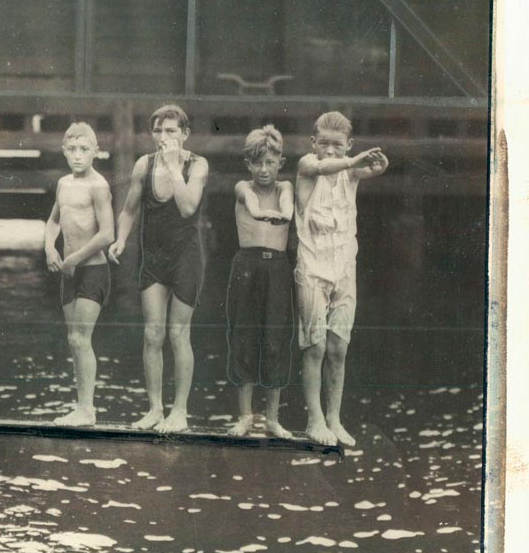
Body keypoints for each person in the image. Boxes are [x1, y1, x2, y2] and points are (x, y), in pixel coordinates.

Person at [109, 104, 209, 432]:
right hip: (153, 258)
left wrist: (172, 167)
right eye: (159, 131)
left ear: (184, 134)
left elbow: (187, 206)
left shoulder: (198, 165)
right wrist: (121, 240)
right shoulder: (143, 165)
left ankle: (179, 411)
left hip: (186, 259)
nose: (164, 138)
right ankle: (154, 409)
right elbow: (128, 211)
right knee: (153, 333)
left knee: (179, 334)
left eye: (171, 131)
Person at [294, 111, 388, 446]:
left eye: (338, 145)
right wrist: (352, 161)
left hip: (345, 268)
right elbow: (324, 167)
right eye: (324, 144)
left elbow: (373, 169)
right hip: (312, 267)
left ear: (349, 145)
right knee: (315, 345)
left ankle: (334, 418)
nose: (331, 150)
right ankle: (314, 419)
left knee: (338, 348)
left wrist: (380, 164)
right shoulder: (308, 166)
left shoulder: (351, 174)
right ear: (313, 143)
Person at [43, 122, 115, 426]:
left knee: (82, 338)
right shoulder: (63, 184)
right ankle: (81, 406)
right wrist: (49, 248)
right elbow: (53, 221)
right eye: (72, 149)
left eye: (84, 150)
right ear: (63, 150)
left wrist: (72, 257)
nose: (77, 156)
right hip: (69, 272)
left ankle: (87, 410)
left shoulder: (98, 186)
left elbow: (108, 234)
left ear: (95, 152)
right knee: (73, 340)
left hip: (93, 270)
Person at [226, 124, 295, 439]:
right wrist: (265, 215)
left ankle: (272, 419)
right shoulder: (244, 187)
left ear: (280, 161)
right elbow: (252, 206)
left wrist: (281, 214)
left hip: (277, 268)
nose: (264, 169)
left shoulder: (285, 188)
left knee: (276, 339)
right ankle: (245, 417)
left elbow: (289, 210)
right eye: (258, 163)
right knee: (243, 336)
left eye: (270, 162)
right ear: (248, 164)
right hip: (247, 266)